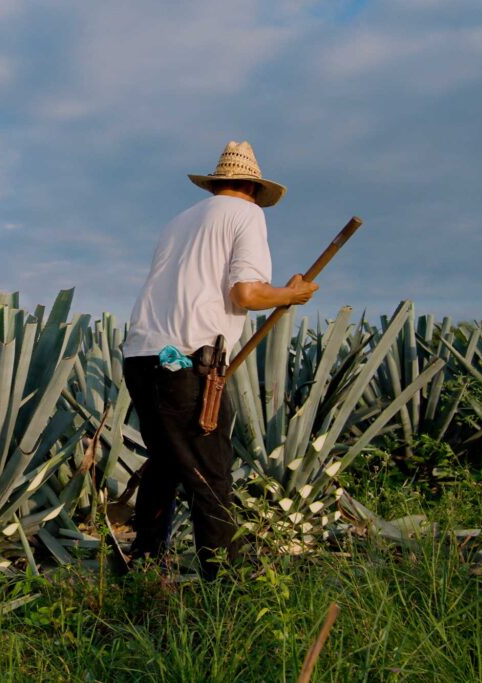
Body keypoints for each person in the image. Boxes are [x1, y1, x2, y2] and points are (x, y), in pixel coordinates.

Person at [121, 140, 318, 580]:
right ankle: (225, 582)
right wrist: (293, 294)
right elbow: (246, 294)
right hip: (189, 361)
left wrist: (283, 293)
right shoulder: (247, 214)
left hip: (141, 356)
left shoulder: (178, 223)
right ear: (252, 187)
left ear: (217, 184)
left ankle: (146, 563)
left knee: (167, 460)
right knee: (210, 473)